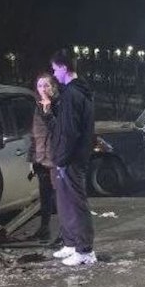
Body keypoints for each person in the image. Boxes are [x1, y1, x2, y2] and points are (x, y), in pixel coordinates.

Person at [43, 49, 97, 266]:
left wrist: (62, 158)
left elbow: (69, 132)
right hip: (72, 157)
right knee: (66, 202)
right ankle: (73, 243)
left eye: (55, 69)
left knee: (75, 203)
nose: (54, 74)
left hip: (71, 159)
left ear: (64, 68)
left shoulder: (71, 95)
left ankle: (84, 250)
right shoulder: (76, 93)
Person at [27, 72, 59, 242]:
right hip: (41, 159)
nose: (43, 89)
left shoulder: (58, 105)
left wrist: (48, 112)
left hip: (55, 160)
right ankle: (44, 228)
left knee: (60, 199)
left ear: (53, 87)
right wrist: (31, 159)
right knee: (45, 197)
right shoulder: (37, 107)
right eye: (40, 86)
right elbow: (35, 135)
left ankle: (65, 233)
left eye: (46, 85)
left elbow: (58, 131)